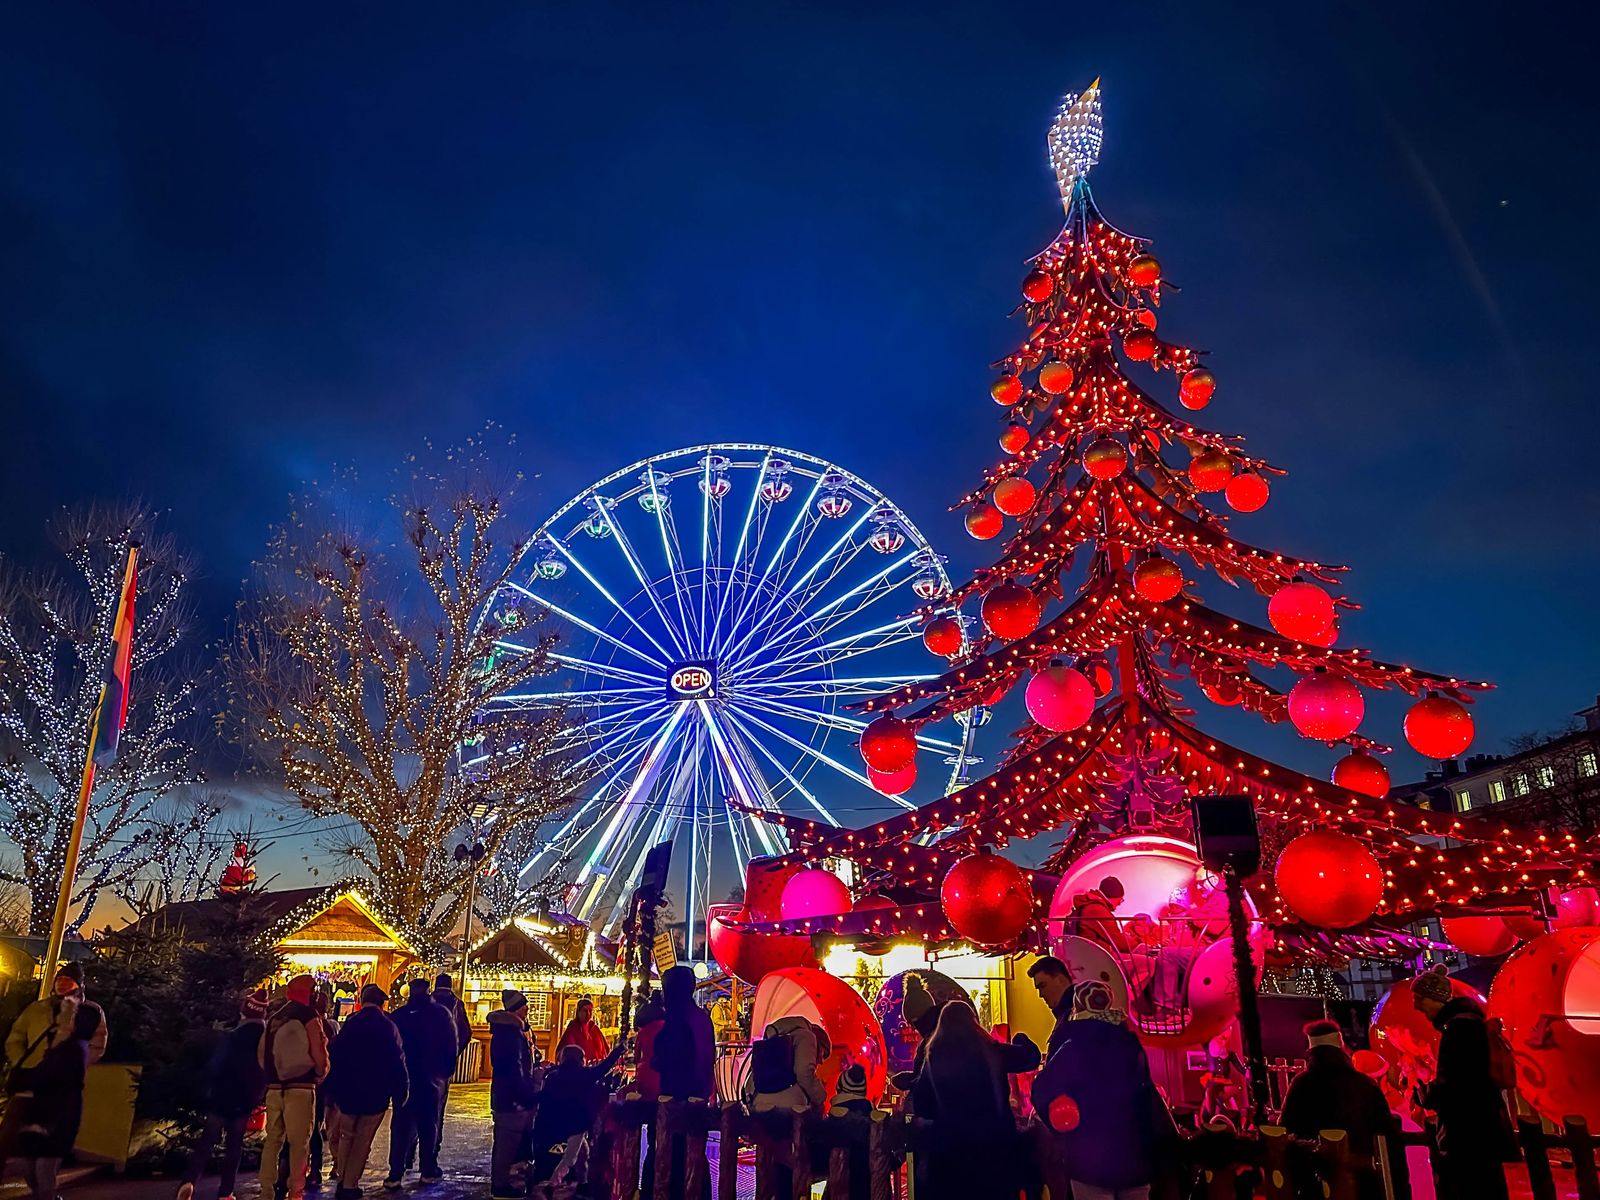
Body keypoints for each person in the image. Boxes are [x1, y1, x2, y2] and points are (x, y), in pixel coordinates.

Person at [1031, 980, 1177, 1200]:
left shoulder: (1074, 1046)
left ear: (1078, 1006)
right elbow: (1146, 1094)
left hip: (1090, 1157)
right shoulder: (1129, 1044)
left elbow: (1043, 1090)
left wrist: (1060, 1120)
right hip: (1134, 1155)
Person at [911, 1002, 1040, 1200]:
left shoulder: (934, 1057)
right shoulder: (991, 1050)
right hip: (995, 1153)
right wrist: (1021, 1038)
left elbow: (922, 1104)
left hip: (951, 1157)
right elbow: (1030, 1057)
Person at [1411, 967, 1512, 1200]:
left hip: (1468, 1132)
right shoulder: (1470, 1024)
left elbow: (1456, 1082)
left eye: (1419, 998)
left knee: (1469, 1188)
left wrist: (1425, 1094)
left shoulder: (1458, 1030)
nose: (1417, 1006)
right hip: (1482, 1127)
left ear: (1435, 999)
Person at [0, 962, 107, 1179]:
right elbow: (16, 1037)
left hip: (60, 1086)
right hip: (30, 1080)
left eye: (68, 981)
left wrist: (72, 1065)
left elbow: (97, 1044)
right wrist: (23, 1062)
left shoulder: (90, 1012)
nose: (61, 984)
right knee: (7, 1134)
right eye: (59, 980)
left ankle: (43, 1188)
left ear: (78, 985)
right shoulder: (37, 1009)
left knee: (50, 1143)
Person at [1279, 1020, 1393, 1200]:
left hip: (1316, 1181)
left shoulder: (1302, 1084)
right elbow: (1387, 1133)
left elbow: (1287, 1129)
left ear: (1311, 1052)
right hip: (1364, 1182)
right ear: (1341, 1047)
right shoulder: (1364, 1085)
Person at [175, 989, 269, 1200]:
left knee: (207, 1140)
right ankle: (226, 1191)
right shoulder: (263, 1040)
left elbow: (215, 1065)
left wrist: (210, 1087)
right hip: (245, 1097)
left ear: (244, 1011)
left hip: (221, 1094)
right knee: (234, 1144)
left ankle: (189, 1181)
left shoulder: (232, 1036)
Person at [323, 984, 408, 1200]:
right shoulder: (388, 1026)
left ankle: (342, 1178)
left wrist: (333, 1087)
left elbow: (335, 1054)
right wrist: (401, 1090)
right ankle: (351, 1184)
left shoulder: (351, 1024)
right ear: (382, 1003)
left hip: (348, 1090)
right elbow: (397, 1060)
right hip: (375, 1091)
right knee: (362, 1139)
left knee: (346, 1135)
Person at [15, 1000, 100, 1200]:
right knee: (33, 1173)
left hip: (55, 1119)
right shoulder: (62, 1044)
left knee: (43, 1173)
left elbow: (52, 1081)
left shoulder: (72, 1049)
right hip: (43, 1115)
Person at [259, 974, 331, 1200]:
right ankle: (295, 1191)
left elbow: (262, 1055)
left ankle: (267, 1191)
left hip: (274, 1087)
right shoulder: (309, 1016)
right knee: (299, 1143)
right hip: (300, 1088)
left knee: (273, 1140)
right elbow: (319, 1051)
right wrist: (321, 1072)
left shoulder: (275, 1018)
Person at [647, 966, 716, 1200]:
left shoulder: (677, 1020)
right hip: (698, 1094)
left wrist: (657, 1060)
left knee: (673, 1156)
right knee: (694, 1154)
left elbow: (671, 1058)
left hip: (677, 1099)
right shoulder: (702, 1019)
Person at [385, 979, 460, 1189]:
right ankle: (428, 1168)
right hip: (431, 1078)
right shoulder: (441, 1014)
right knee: (429, 1124)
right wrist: (444, 1072)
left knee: (400, 1125)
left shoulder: (399, 1016)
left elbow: (391, 1048)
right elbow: (451, 1044)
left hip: (405, 1078)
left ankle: (395, 1171)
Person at [529, 1038, 626, 1184]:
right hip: (577, 1124)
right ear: (581, 1059)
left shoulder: (553, 1075)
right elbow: (605, 1066)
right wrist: (618, 1050)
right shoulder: (585, 1074)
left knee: (582, 1153)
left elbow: (544, 1097)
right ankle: (554, 1183)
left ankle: (582, 1182)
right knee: (570, 1158)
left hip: (556, 1121)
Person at [276, 989, 338, 1194]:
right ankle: (309, 1173)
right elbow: (324, 1057)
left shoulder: (289, 1022)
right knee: (311, 1130)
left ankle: (285, 1175)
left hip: (292, 1085)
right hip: (313, 1086)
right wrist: (322, 1074)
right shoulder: (323, 1027)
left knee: (291, 1132)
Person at [489, 989, 545, 1200]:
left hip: (512, 1095)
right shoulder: (509, 1035)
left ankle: (508, 1180)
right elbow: (513, 1070)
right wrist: (524, 1095)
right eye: (524, 1006)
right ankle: (501, 1185)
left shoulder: (517, 1032)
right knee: (507, 1142)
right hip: (511, 1098)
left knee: (511, 1141)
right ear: (516, 1009)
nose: (528, 1010)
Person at [430, 973, 472, 1158]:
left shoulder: (426, 1002)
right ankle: (432, 1148)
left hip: (419, 1063)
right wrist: (454, 1052)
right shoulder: (456, 1004)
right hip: (443, 1065)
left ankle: (407, 1154)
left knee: (413, 1109)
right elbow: (465, 1032)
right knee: (438, 1107)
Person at [1026, 955, 1075, 1061]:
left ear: (1060, 980)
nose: (1041, 995)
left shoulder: (1075, 1016)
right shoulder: (1067, 1014)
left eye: (1043, 986)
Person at [1071, 876, 1132, 955]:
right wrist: (1134, 941)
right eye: (1121, 899)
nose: (1120, 903)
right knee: (1148, 962)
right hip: (1098, 956)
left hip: (1094, 953)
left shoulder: (1092, 906)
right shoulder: (1098, 910)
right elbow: (1121, 944)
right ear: (1114, 896)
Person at [557, 996, 610, 1064]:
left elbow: (606, 1050)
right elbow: (564, 1053)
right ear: (578, 1012)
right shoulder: (572, 1030)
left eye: (590, 1011)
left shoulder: (595, 1029)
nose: (588, 1014)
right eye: (585, 1011)